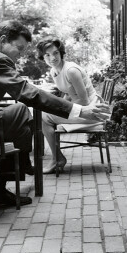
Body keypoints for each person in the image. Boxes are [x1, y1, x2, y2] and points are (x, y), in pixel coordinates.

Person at [0, 20, 109, 209]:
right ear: (3, 39)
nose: (21, 55)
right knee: (20, 116)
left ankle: (23, 162)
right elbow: (27, 93)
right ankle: (2, 187)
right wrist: (80, 110)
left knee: (19, 111)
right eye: (19, 48)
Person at [36, 37, 104, 174]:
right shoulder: (54, 71)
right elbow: (68, 94)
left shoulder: (71, 71)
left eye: (55, 53)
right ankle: (57, 157)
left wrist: (59, 108)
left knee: (43, 117)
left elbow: (84, 101)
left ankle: (57, 159)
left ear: (61, 53)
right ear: (43, 57)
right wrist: (57, 106)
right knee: (43, 114)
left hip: (92, 111)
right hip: (81, 109)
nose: (52, 58)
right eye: (47, 55)